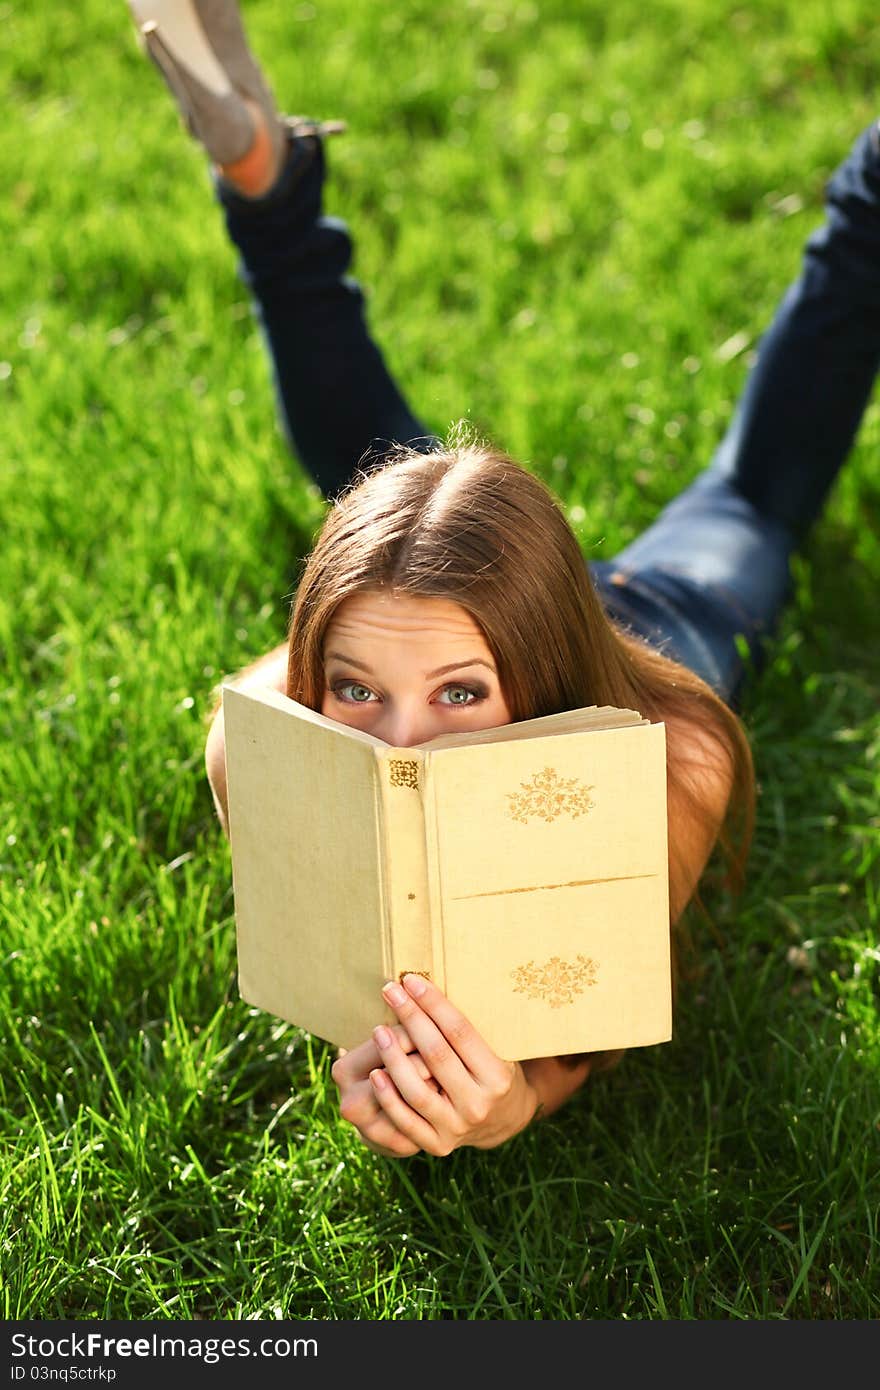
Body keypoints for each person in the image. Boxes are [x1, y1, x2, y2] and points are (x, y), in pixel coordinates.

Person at [126, 1, 880, 1158]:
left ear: (527, 663)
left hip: (668, 621)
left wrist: (517, 1102)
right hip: (459, 596)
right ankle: (265, 189)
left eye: (460, 697)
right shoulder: (264, 733)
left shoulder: (679, 753)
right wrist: (393, 654)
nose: (403, 747)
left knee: (754, 501)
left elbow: (591, 1020)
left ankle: (869, 193)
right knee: (364, 471)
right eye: (357, 690)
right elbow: (293, 702)